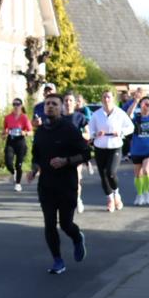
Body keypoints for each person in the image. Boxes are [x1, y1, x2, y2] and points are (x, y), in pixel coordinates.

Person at [28, 93, 90, 274]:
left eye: (54, 104)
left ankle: (77, 237)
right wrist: (34, 170)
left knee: (65, 224)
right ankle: (58, 260)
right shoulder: (40, 131)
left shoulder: (69, 129)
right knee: (49, 224)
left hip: (66, 184)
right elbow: (36, 156)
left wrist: (66, 161)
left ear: (61, 107)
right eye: (47, 103)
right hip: (46, 185)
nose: (50, 106)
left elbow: (86, 154)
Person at [87, 90, 134, 212]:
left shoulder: (120, 113)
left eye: (108, 97)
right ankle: (110, 199)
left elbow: (131, 127)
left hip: (115, 146)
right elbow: (90, 130)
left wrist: (121, 132)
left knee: (111, 172)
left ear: (113, 99)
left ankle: (116, 194)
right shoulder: (96, 114)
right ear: (102, 99)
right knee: (103, 175)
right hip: (100, 146)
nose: (106, 99)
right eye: (104, 97)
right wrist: (95, 134)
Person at [61, 91, 91, 212]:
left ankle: (78, 199)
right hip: (61, 152)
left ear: (75, 103)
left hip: (76, 152)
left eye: (70, 100)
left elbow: (88, 134)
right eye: (66, 100)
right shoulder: (58, 118)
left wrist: (79, 135)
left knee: (76, 178)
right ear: (63, 103)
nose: (68, 103)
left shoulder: (80, 117)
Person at [2, 97, 32, 191]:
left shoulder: (24, 117)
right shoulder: (7, 117)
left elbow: (31, 132)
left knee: (18, 164)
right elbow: (4, 131)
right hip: (11, 141)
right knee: (8, 162)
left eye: (18, 104)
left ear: (21, 106)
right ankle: (13, 172)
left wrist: (25, 133)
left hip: (20, 142)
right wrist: (4, 133)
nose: (15, 106)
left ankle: (18, 184)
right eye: (14, 104)